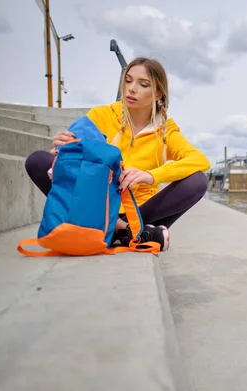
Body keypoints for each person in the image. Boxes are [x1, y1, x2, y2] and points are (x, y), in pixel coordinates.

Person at [24, 57, 211, 251]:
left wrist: (150, 176)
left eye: (143, 84)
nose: (131, 88)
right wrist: (60, 154)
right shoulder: (101, 116)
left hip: (140, 211)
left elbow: (199, 160)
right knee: (38, 160)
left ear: (158, 94)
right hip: (98, 205)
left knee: (198, 181)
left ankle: (122, 229)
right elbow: (72, 154)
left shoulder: (165, 131)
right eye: (128, 80)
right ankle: (126, 231)